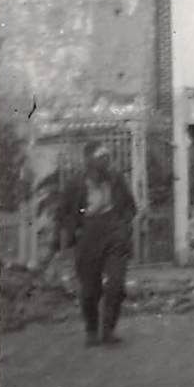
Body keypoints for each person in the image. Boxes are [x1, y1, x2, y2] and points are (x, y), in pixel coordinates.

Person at [59, 141, 136, 346]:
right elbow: (63, 214)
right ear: (89, 161)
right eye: (100, 157)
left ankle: (108, 330)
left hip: (114, 235)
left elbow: (130, 206)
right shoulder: (76, 183)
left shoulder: (116, 180)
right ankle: (91, 330)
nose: (106, 161)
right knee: (89, 290)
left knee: (116, 284)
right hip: (88, 237)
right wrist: (72, 234)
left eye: (107, 157)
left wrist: (123, 225)